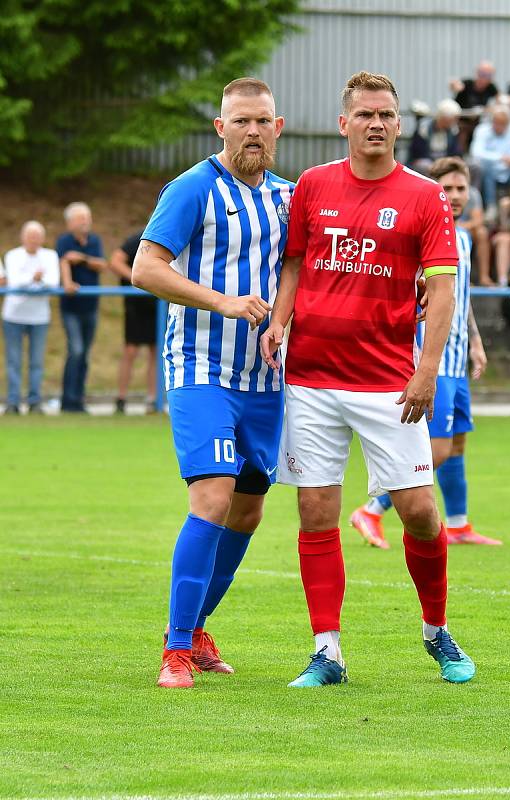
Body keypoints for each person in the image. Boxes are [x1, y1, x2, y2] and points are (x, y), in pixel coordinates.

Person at [260, 71, 476, 687]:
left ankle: (436, 631)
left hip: (388, 383)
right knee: (316, 511)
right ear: (344, 122)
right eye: (364, 115)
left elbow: (441, 288)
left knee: (419, 512)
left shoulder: (425, 197)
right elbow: (296, 262)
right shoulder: (314, 186)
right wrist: (279, 321)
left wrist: (427, 367)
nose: (374, 124)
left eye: (385, 115)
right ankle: (327, 653)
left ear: (399, 125)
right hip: (311, 379)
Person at [131, 77, 293, 689]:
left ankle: (197, 629)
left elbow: (304, 271)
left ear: (278, 129)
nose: (252, 131)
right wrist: (223, 303)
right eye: (240, 121)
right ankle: (174, 650)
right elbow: (147, 267)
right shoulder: (193, 188)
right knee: (213, 497)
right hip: (201, 369)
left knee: (248, 511)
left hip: (266, 379)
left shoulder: (288, 197)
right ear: (220, 128)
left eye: (263, 122)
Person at [349, 157, 501, 550]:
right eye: (446, 189)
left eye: (460, 189)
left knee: (458, 444)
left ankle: (459, 524)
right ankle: (371, 510)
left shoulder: (463, 238)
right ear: (433, 191)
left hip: (458, 360)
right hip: (432, 361)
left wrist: (476, 342)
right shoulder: (421, 234)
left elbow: (456, 298)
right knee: (437, 448)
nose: (453, 196)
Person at [2, 221, 60, 414]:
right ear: (22, 237)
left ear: (42, 239)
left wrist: (34, 281)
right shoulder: (13, 255)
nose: (33, 240)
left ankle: (35, 401)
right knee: (14, 360)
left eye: (37, 237)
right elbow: (14, 282)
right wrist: (33, 280)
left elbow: (53, 282)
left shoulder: (50, 256)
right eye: (30, 236)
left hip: (39, 317)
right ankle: (13, 402)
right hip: (13, 315)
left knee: (36, 361)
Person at [57, 202, 107, 412]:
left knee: (84, 354)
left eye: (87, 217)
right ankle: (67, 400)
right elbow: (63, 262)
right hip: (71, 307)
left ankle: (78, 400)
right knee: (75, 351)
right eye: (81, 218)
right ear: (70, 222)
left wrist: (83, 259)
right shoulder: (64, 241)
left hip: (91, 306)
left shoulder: (94, 241)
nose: (86, 221)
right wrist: (67, 283)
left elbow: (102, 264)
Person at [108, 229, 158, 413]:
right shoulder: (138, 239)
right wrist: (138, 278)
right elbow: (115, 261)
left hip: (158, 304)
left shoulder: (170, 238)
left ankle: (153, 400)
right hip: (136, 306)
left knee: (156, 351)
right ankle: (121, 398)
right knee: (130, 351)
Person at [469, 104, 510, 223]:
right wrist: (500, 158)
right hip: (490, 170)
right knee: (483, 168)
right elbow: (476, 153)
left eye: (503, 123)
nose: (499, 126)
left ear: (509, 122)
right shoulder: (482, 130)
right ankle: (491, 206)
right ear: (491, 121)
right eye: (497, 123)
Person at [407, 98, 463, 174]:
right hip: (427, 162)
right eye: (452, 120)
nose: (454, 122)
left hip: (445, 162)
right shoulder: (424, 127)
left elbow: (455, 151)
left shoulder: (453, 130)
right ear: (443, 118)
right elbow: (418, 153)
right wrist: (438, 164)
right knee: (425, 165)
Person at [457, 184, 492, 286]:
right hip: (445, 229)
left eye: (460, 188)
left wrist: (461, 226)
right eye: (449, 188)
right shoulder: (438, 190)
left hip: (466, 229)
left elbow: (477, 220)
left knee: (482, 233)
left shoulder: (472, 193)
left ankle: (484, 276)